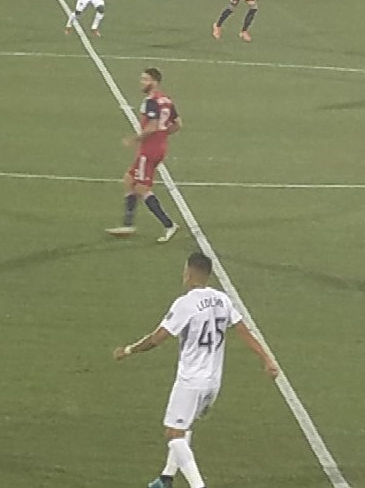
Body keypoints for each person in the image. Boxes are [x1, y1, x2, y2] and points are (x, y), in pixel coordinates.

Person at [113, 252, 279, 488]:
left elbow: (156, 339)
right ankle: (166, 478)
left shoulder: (185, 304)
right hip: (213, 381)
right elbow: (244, 331)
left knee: (173, 434)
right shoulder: (223, 299)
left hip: (191, 381)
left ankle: (198, 486)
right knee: (184, 426)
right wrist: (267, 359)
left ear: (189, 272)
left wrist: (129, 350)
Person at [106, 68, 182, 242]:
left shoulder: (152, 101)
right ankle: (128, 223)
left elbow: (153, 126)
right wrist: (163, 135)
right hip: (159, 147)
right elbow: (178, 124)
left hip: (149, 150)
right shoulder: (166, 100)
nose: (141, 82)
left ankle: (169, 224)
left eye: (145, 79)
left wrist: (134, 139)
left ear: (154, 81)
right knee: (129, 179)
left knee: (141, 188)